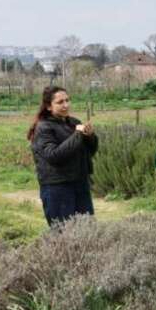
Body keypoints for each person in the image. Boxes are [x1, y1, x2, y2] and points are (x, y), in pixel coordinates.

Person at [28, 86, 98, 226]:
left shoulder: (74, 122)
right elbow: (53, 156)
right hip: (57, 188)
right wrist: (77, 135)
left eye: (67, 100)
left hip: (80, 183)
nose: (66, 105)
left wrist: (90, 136)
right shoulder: (44, 127)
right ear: (48, 106)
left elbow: (90, 152)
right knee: (63, 232)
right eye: (60, 102)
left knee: (87, 230)